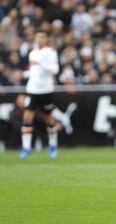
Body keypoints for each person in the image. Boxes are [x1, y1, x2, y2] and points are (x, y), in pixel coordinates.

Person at [20, 30, 60, 160]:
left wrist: (40, 63)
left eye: (42, 37)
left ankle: (53, 146)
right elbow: (33, 72)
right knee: (27, 118)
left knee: (48, 119)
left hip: (46, 90)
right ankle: (26, 148)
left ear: (46, 39)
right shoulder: (33, 53)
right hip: (32, 89)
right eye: (38, 37)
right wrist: (24, 74)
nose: (40, 40)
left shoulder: (50, 52)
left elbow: (55, 70)